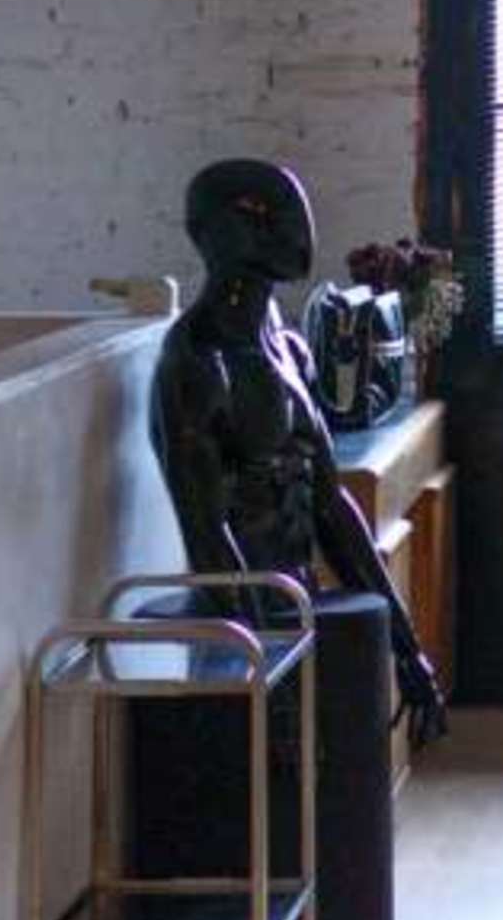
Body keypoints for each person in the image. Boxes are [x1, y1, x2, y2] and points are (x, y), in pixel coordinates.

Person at [149, 156, 449, 742]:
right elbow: (208, 534)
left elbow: (329, 503)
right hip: (247, 630)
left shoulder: (291, 348)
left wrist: (407, 647)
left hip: (300, 605)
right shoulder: (196, 365)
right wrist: (269, 679)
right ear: (221, 231)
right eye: (268, 215)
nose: (296, 230)